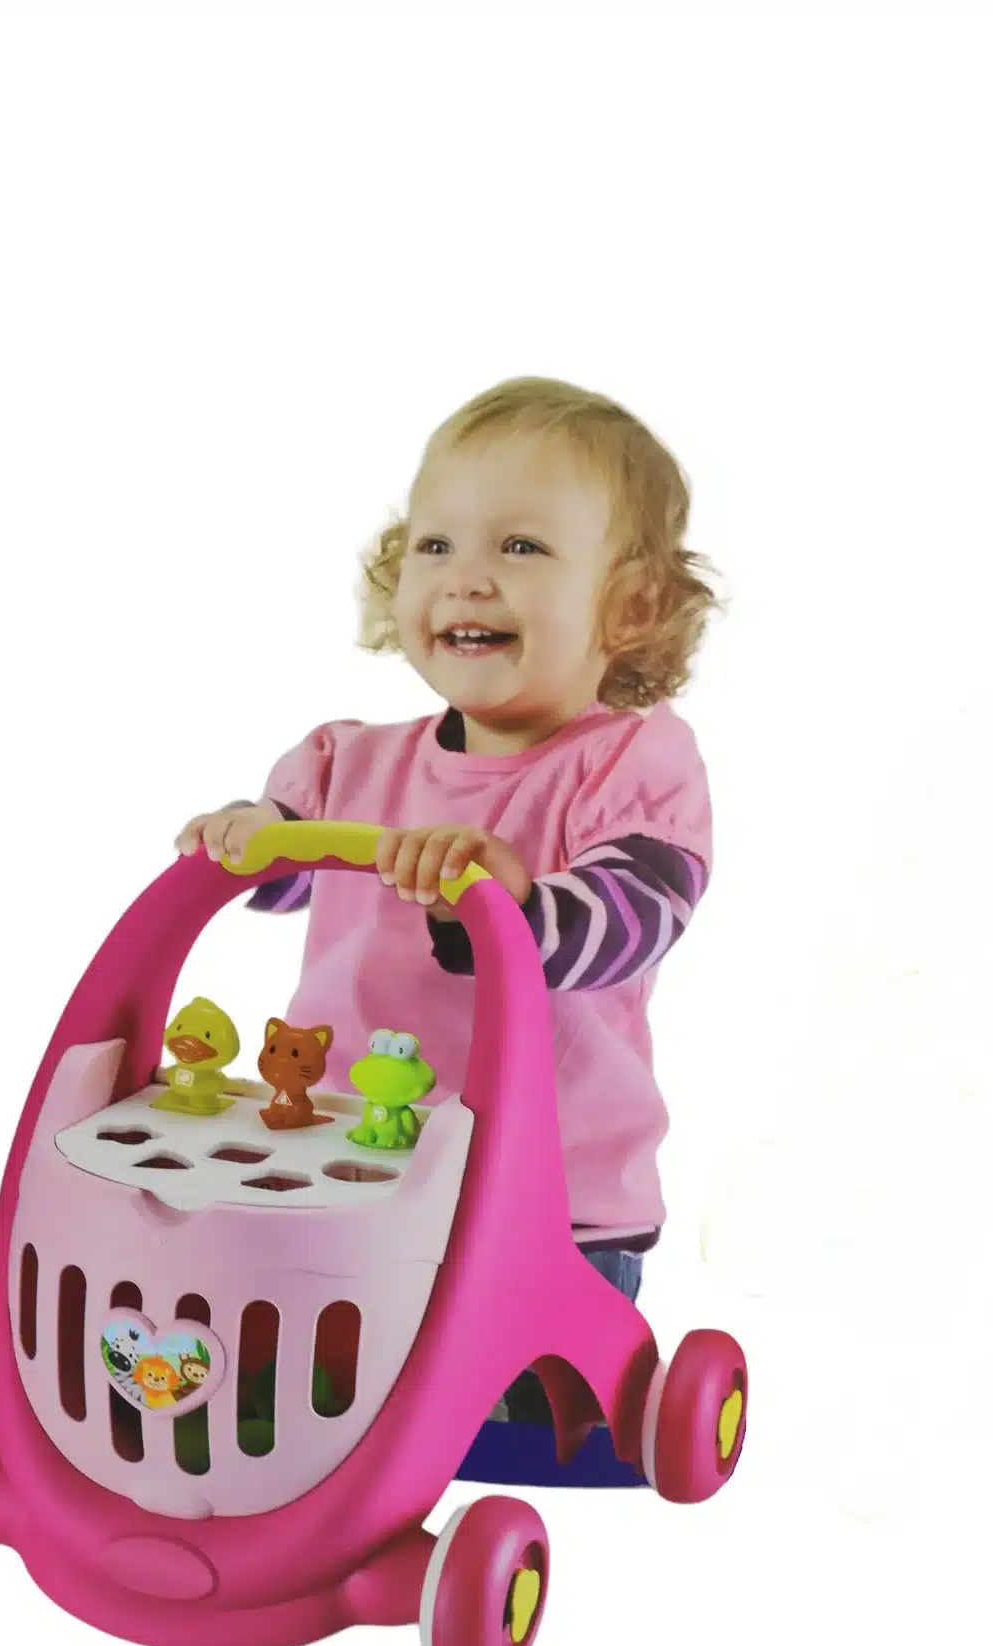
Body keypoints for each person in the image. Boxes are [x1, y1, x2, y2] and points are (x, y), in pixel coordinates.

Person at [175, 376, 720, 1422]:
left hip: (544, 1200)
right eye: (435, 545)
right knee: (290, 1388)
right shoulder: (348, 762)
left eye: (520, 547)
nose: (466, 578)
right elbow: (280, 870)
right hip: (343, 1164)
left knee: (493, 1412)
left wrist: (513, 901)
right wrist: (245, 835)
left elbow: (633, 918)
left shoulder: (631, 765)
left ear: (632, 606)